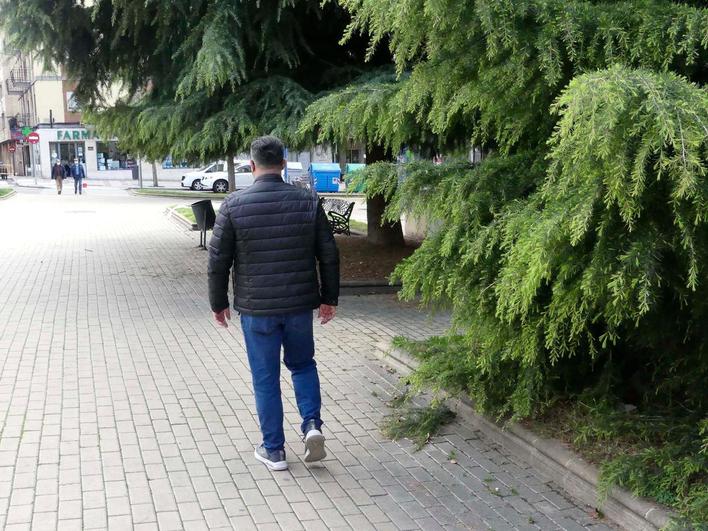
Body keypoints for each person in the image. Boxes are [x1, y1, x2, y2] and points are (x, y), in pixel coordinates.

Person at [208, 135, 339, 471]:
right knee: (303, 365)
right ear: (283, 164)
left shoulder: (234, 205)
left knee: (265, 378)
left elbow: (218, 260)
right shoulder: (308, 201)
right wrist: (329, 299)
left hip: (257, 311)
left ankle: (274, 450)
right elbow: (328, 253)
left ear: (252, 166)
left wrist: (218, 303)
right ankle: (311, 425)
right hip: (298, 307)